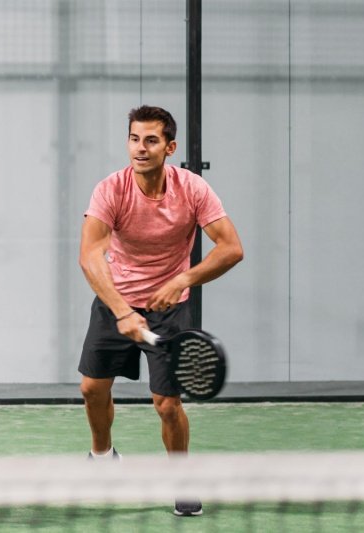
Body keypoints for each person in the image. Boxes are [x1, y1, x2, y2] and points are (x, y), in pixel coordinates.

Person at [78, 105, 244, 517]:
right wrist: (122, 311)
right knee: (92, 389)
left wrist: (182, 280)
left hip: (169, 312)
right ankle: (102, 456)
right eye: (134, 138)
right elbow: (89, 257)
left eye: (151, 140)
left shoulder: (192, 189)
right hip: (115, 302)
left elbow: (232, 248)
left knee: (167, 404)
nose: (140, 148)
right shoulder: (111, 189)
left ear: (169, 147)